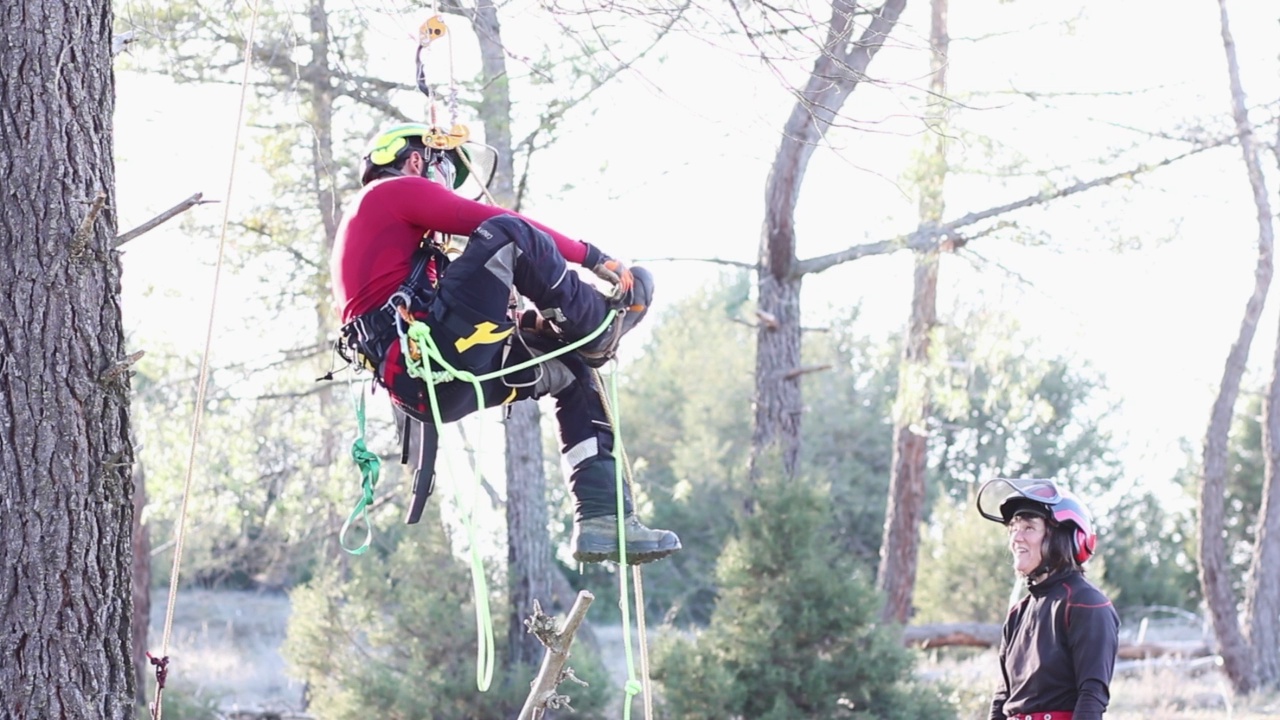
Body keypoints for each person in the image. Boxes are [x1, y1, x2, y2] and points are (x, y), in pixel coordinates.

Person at [330, 121, 681, 564]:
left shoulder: (388, 239)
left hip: (435, 381)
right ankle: (597, 323)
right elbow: (503, 225)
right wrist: (593, 257)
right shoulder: (387, 194)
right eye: (444, 172)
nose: (449, 187)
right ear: (417, 159)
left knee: (572, 368)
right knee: (509, 235)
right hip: (434, 361)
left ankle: (602, 519)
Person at [976, 478, 1119, 720]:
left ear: (1063, 537)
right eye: (1014, 528)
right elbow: (1002, 698)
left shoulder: (1087, 604)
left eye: (1029, 528)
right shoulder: (1018, 612)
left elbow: (1092, 698)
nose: (1016, 538)